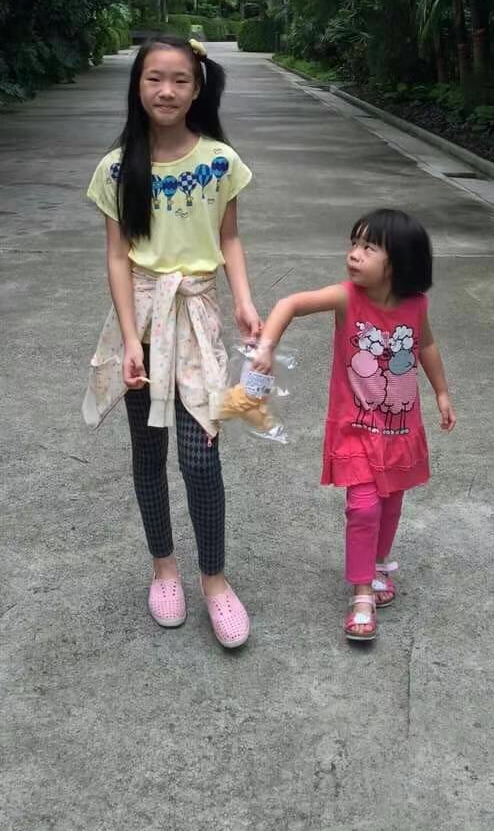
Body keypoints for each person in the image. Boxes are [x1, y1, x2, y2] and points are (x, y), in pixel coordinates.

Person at [82, 36, 261, 648]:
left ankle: (215, 581)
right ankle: (164, 569)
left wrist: (243, 299)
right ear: (137, 85)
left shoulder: (219, 161)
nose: (166, 91)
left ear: (197, 87)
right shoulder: (116, 168)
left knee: (201, 455)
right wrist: (130, 338)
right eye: (154, 78)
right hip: (143, 322)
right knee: (148, 451)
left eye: (180, 80)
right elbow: (117, 257)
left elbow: (229, 238)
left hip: (198, 318)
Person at [251, 208, 456, 642]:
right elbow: (290, 304)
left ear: (398, 261)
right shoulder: (347, 297)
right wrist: (266, 346)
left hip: (400, 429)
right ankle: (362, 592)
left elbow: (427, 346)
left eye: (368, 247)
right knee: (364, 507)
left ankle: (378, 565)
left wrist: (441, 392)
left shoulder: (416, 305)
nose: (354, 254)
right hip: (355, 429)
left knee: (392, 504)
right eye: (354, 244)